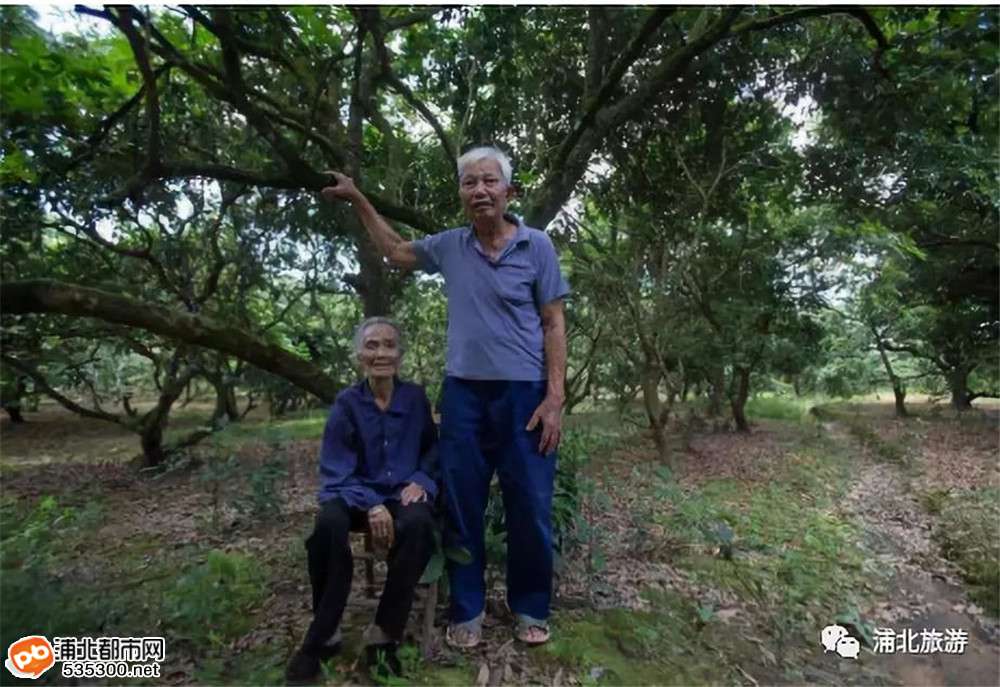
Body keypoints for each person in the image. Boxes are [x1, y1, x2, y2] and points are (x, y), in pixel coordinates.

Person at [322, 146, 569, 647]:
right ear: (461, 194)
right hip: (463, 396)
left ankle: (530, 608)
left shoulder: (537, 246)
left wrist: (555, 398)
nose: (479, 190)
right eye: (469, 183)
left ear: (508, 191)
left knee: (530, 505)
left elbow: (553, 322)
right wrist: (357, 199)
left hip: (524, 396)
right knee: (461, 505)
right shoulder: (450, 246)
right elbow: (395, 251)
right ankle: (467, 609)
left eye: (489, 182)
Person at [286, 317, 438, 685]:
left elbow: (434, 448)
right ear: (359, 355)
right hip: (355, 493)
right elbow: (336, 469)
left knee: (419, 525)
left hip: (402, 492)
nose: (381, 352)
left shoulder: (415, 398)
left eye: (388, 345)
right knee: (328, 526)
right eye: (372, 345)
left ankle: (384, 634)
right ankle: (324, 633)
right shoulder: (347, 403)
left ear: (399, 354)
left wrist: (420, 479)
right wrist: (371, 503)